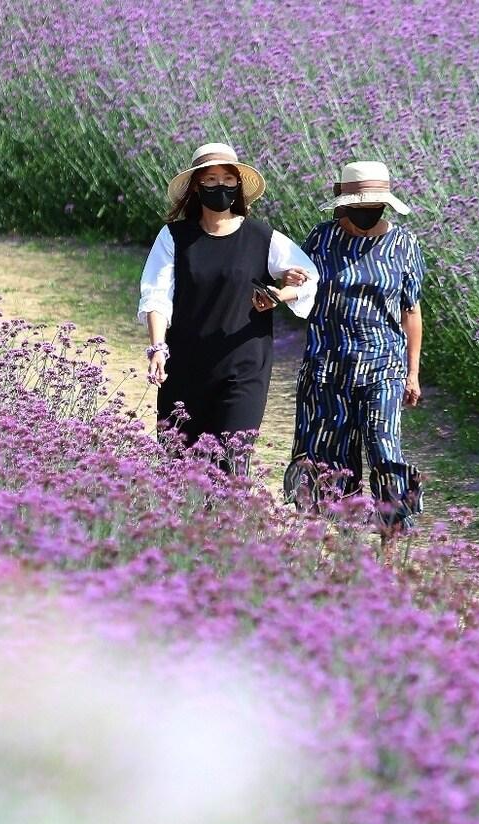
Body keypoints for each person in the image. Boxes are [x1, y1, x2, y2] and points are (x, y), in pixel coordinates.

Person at [137, 142, 318, 474]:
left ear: (239, 186)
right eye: (210, 180)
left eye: (227, 179)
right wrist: (158, 348)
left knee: (231, 464)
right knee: (180, 467)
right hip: (186, 367)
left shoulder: (264, 237)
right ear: (196, 187)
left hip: (244, 367)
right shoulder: (175, 237)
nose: (220, 186)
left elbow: (309, 280)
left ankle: (228, 525)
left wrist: (281, 293)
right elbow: (156, 295)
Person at [284, 160, 427, 540]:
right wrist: (289, 281)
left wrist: (412, 373)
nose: (366, 212)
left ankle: (391, 541)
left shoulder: (403, 244)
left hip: (383, 366)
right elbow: (298, 288)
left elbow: (411, 312)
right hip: (326, 366)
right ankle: (337, 541)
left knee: (385, 451)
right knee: (329, 454)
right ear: (343, 204)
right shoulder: (321, 239)